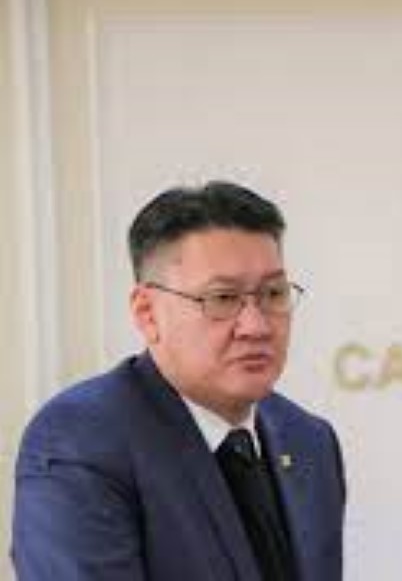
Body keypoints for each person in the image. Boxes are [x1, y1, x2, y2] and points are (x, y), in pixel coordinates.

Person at [12, 181, 346, 580]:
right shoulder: (81, 440)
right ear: (147, 313)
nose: (257, 326)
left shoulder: (309, 440)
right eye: (223, 299)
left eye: (273, 293)